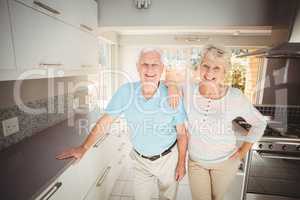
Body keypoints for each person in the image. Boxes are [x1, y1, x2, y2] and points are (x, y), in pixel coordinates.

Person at [56, 48, 188, 200]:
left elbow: (182, 133)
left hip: (168, 160)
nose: (150, 69)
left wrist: (181, 163)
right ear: (138, 67)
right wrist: (83, 147)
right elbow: (105, 121)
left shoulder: (172, 95)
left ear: (162, 68)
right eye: (145, 64)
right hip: (141, 161)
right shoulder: (126, 92)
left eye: (155, 65)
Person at [167, 44, 267, 200]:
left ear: (225, 71)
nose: (209, 73)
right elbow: (167, 79)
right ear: (200, 66)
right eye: (205, 66)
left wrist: (242, 152)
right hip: (196, 162)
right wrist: (172, 86)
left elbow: (260, 123)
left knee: (216, 198)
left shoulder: (235, 96)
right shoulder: (188, 89)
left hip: (225, 162)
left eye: (216, 68)